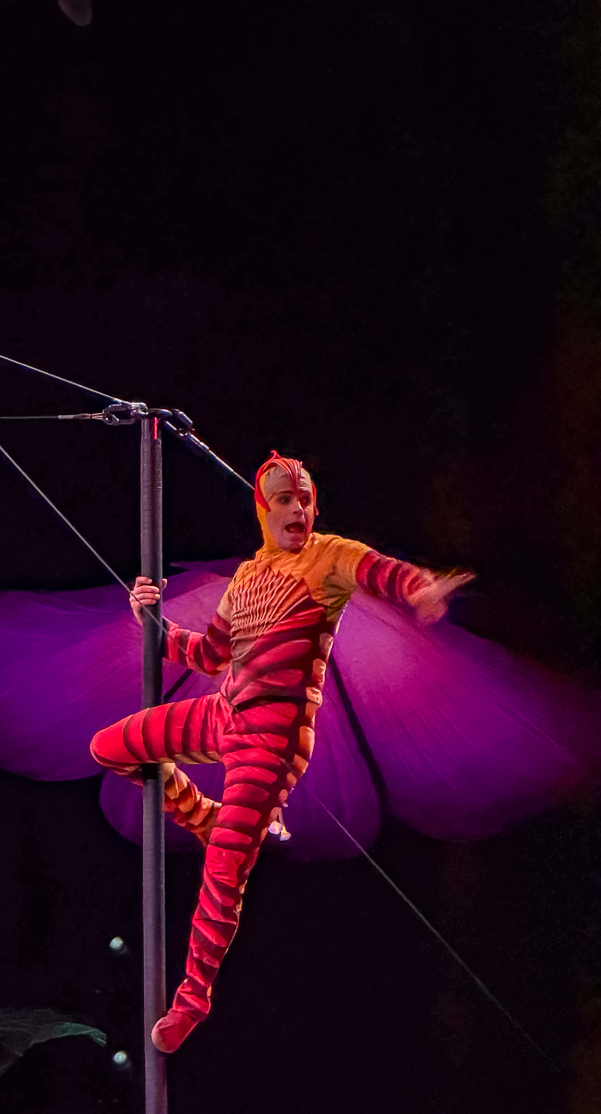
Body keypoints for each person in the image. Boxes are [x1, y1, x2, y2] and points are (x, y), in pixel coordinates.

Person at [91, 451, 473, 1053]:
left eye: (304, 497)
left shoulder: (331, 556)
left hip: (271, 739)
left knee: (224, 869)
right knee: (112, 746)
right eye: (284, 498)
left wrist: (421, 588)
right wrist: (154, 626)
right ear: (263, 509)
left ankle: (192, 1000)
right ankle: (201, 815)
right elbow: (211, 655)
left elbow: (383, 572)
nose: (298, 507)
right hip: (223, 714)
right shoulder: (247, 578)